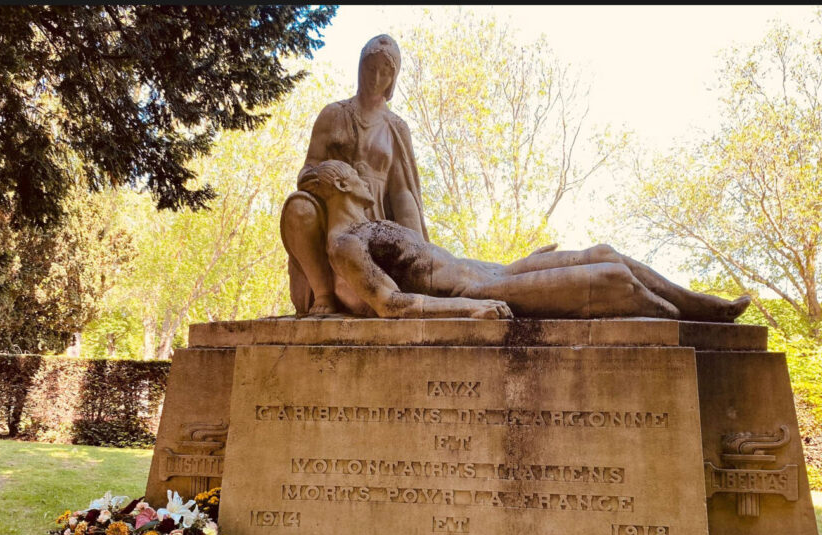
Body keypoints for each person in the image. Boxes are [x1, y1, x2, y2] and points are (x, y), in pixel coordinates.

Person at [300, 159, 752, 322]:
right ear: (342, 186)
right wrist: (472, 308)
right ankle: (687, 322)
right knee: (613, 277)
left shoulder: (374, 224)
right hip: (478, 290)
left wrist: (518, 261)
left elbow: (441, 258)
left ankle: (701, 307)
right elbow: (391, 305)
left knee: (603, 253)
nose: (366, 182)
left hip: (497, 271)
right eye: (358, 177)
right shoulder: (345, 243)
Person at [280, 34, 428, 316]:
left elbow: (402, 192)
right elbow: (307, 170)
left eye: (385, 72)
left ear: (393, 80)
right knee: (297, 207)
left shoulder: (396, 127)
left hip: (378, 222)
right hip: (334, 215)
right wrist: (328, 179)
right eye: (371, 68)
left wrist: (419, 251)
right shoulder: (333, 114)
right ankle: (323, 294)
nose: (376, 77)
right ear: (361, 66)